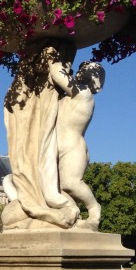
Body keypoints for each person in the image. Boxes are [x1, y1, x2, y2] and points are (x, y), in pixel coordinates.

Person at [2, 38, 79, 230]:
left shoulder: (33, 89)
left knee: (38, 165)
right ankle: (48, 210)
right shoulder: (36, 86)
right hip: (39, 135)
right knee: (35, 162)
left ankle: (45, 209)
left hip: (48, 140)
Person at [57, 61, 106, 230]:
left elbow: (57, 75)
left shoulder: (84, 93)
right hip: (56, 147)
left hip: (73, 146)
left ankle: (94, 209)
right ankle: (73, 214)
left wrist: (52, 60)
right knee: (58, 188)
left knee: (71, 182)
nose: (84, 71)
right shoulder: (65, 97)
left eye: (92, 71)